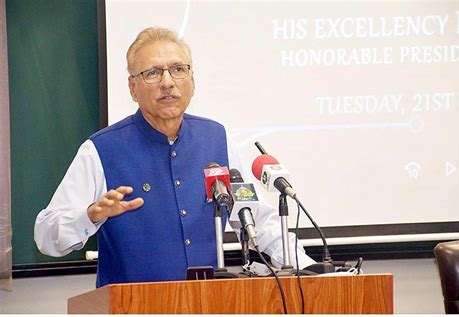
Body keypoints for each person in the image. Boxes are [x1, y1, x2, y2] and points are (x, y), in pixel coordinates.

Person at [34, 27, 315, 288]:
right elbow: (46, 236)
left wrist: (312, 269)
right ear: (133, 88)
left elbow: (257, 220)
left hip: (208, 304)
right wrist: (90, 215)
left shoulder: (216, 139)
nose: (168, 82)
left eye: (178, 69)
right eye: (153, 73)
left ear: (192, 81)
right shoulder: (100, 150)